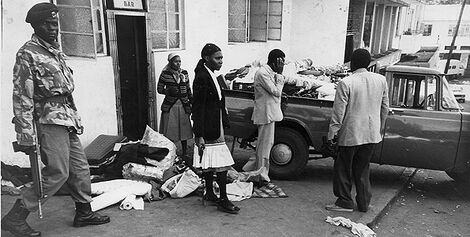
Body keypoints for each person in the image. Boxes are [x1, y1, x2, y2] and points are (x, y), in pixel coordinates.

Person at [2, 3, 110, 236]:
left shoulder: (54, 51)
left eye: (55, 24)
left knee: (80, 169)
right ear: (36, 26)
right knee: (57, 172)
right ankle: (15, 217)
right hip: (47, 120)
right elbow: (22, 95)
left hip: (67, 118)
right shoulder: (27, 53)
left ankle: (84, 212)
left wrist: (75, 117)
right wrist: (26, 134)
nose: (54, 29)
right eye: (47, 25)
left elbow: (65, 90)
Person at [325, 48, 389, 212]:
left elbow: (338, 113)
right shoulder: (381, 80)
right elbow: (385, 108)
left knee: (343, 168)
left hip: (351, 133)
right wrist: (379, 129)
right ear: (368, 63)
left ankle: (345, 201)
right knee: (362, 168)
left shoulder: (346, 82)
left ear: (353, 63)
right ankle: (363, 203)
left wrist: (332, 134)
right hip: (371, 134)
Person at [242, 49, 304, 185]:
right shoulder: (263, 73)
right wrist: (281, 75)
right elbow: (276, 92)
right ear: (276, 61)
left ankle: (251, 169)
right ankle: (261, 176)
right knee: (265, 146)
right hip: (265, 114)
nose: (282, 65)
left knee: (264, 145)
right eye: (281, 62)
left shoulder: (269, 72)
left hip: (269, 114)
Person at [192, 43, 240, 214]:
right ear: (207, 58)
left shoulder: (210, 74)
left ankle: (211, 193)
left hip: (214, 122)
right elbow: (197, 108)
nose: (221, 61)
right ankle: (223, 200)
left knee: (210, 160)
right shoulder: (202, 77)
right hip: (209, 126)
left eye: (221, 58)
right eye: (217, 58)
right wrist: (200, 135)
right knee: (220, 163)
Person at [157, 53, 193, 158]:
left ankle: (185, 152)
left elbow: (188, 88)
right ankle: (170, 152)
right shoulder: (165, 74)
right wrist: (168, 91)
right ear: (170, 62)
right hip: (170, 106)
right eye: (175, 61)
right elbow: (159, 89)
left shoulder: (184, 73)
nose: (178, 63)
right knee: (170, 130)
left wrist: (191, 100)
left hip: (183, 105)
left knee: (184, 130)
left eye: (179, 61)